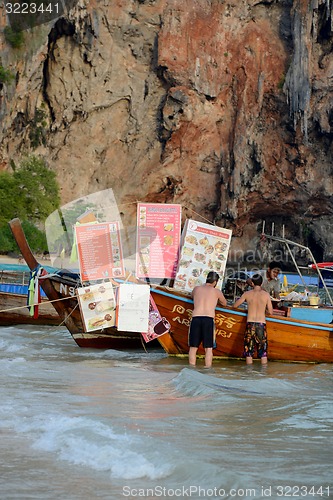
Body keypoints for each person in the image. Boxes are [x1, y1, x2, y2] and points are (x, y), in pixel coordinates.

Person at [188, 271, 227, 368]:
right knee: (208, 349)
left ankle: (191, 369)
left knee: (193, 348)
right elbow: (224, 303)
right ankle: (207, 369)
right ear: (215, 282)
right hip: (208, 320)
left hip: (196, 318)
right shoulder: (217, 292)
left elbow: (192, 296)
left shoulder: (196, 289)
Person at [233, 274, 273, 365]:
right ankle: (263, 375)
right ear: (262, 283)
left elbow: (235, 305)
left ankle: (248, 374)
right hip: (261, 324)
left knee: (248, 352)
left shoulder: (247, 294)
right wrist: (263, 309)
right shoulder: (266, 295)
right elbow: (270, 312)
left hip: (250, 325)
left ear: (252, 283)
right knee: (263, 353)